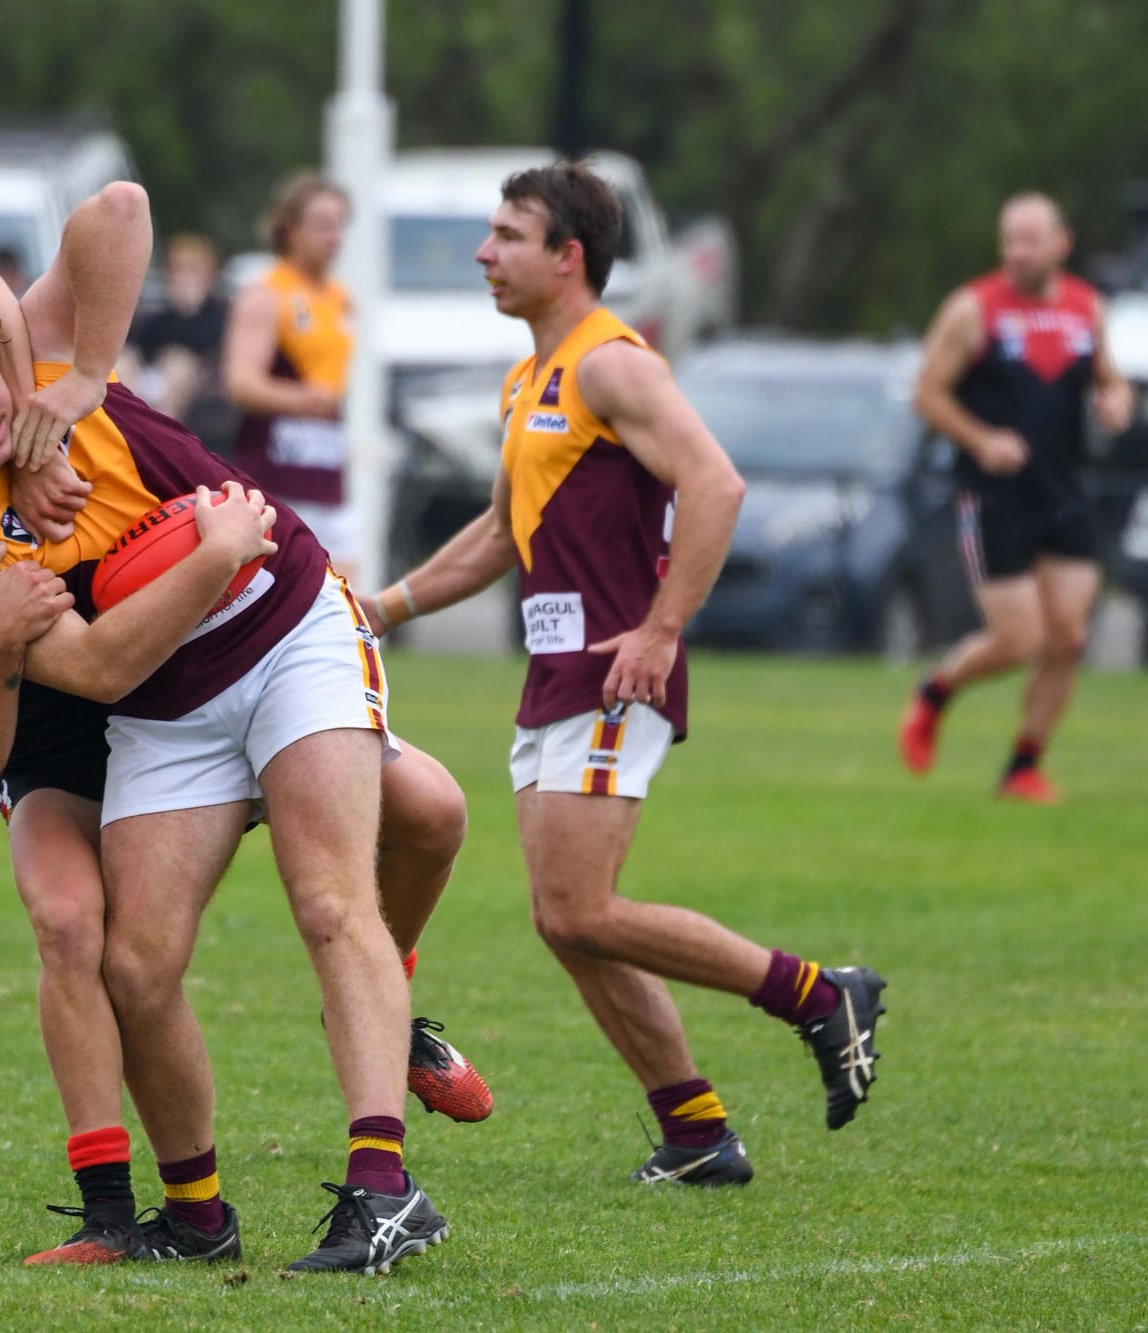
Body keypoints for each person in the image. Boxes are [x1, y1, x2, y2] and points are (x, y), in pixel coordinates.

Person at [0, 182, 456, 1274]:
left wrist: (72, 378)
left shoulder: (33, 374)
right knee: (136, 962)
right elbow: (92, 665)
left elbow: (115, 209)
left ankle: (381, 1187)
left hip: (285, 626)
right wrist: (208, 552)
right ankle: (198, 1215)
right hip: (161, 697)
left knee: (328, 897)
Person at [0, 403, 490, 1264]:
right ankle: (120, 1213)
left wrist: (46, 446)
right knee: (71, 922)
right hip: (61, 763)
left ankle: (388, 1013)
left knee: (432, 813)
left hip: (169, 693)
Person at [360, 163, 887, 1187]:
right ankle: (694, 1133)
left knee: (577, 908)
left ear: (568, 256)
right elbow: (499, 530)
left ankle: (820, 995)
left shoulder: (610, 364)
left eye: (507, 234)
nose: (483, 252)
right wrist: (382, 608)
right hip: (558, 668)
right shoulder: (531, 379)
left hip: (616, 667)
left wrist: (660, 629)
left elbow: (715, 483)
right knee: (567, 920)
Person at [898, 193, 1134, 801]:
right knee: (1019, 640)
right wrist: (981, 440)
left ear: (1063, 243)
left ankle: (1022, 766)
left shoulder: (1088, 308)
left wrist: (1116, 402)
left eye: (1030, 240)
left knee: (1070, 639)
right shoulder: (972, 309)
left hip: (1064, 491)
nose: (1018, 253)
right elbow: (926, 393)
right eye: (1010, 241)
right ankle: (935, 692)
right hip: (994, 496)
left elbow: (1111, 380)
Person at [223, 175, 363, 582]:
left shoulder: (339, 298)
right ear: (289, 229)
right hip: (274, 471)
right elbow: (241, 382)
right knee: (278, 591)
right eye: (322, 224)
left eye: (340, 224)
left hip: (326, 468)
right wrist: (305, 401)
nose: (334, 235)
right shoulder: (266, 294)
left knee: (344, 593)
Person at [121, 232, 230, 434]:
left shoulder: (220, 313)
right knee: (124, 361)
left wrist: (190, 311)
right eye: (177, 269)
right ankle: (129, 428)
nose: (183, 277)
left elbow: (211, 344)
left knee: (178, 362)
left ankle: (161, 433)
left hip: (197, 383)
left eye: (191, 270)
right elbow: (141, 345)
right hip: (152, 379)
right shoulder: (160, 316)